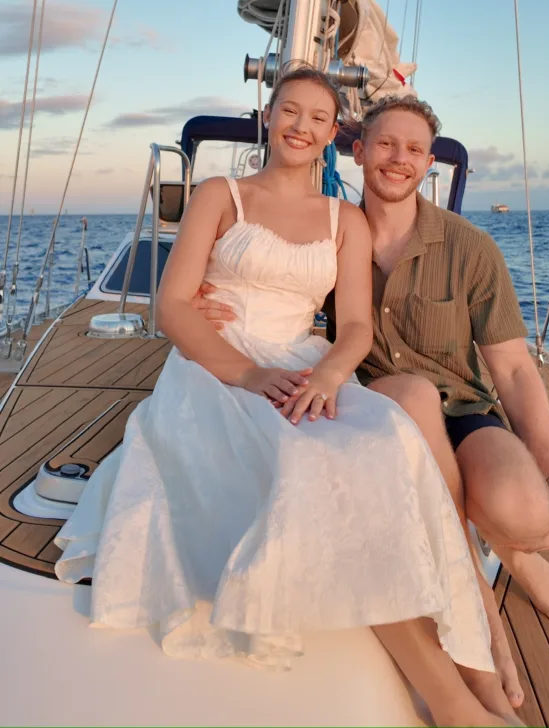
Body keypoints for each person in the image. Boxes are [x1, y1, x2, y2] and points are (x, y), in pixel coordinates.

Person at [54, 67, 518, 728]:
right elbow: (174, 308)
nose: (301, 126)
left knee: (387, 444)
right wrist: (243, 373)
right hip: (217, 368)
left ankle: (481, 674)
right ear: (267, 117)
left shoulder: (344, 220)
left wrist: (329, 375)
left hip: (306, 363)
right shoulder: (220, 196)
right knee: (315, 468)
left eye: (318, 118)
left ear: (335, 135)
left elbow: (355, 326)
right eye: (289, 111)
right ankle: (452, 704)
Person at [196, 92, 549, 712]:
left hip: (465, 413)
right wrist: (216, 296)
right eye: (386, 145)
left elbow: (511, 368)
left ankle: (512, 550)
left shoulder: (470, 247)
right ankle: (480, 607)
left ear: (431, 163)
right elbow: (276, 292)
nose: (399, 159)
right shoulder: (329, 234)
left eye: (415, 149)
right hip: (386, 406)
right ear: (359, 150)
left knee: (532, 517)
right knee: (412, 397)